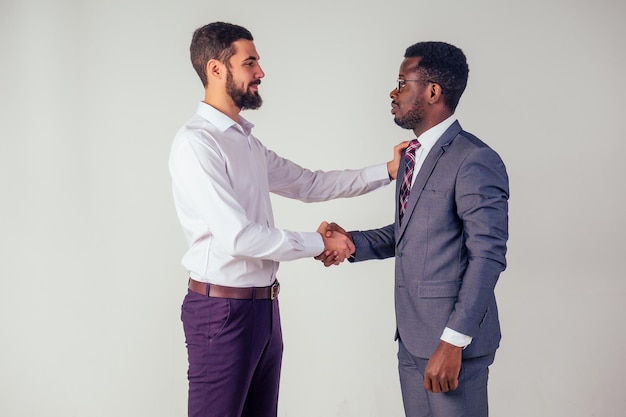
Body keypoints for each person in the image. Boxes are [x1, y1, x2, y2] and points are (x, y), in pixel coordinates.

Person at [168, 22, 407, 417]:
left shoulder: (245, 142)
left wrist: (387, 170)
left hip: (263, 309)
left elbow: (309, 184)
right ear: (215, 69)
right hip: (221, 313)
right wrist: (321, 243)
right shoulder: (198, 143)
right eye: (250, 63)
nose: (260, 72)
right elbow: (239, 238)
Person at [319, 42, 509, 417]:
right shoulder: (411, 156)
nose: (394, 92)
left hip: (452, 345)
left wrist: (453, 342)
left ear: (433, 91)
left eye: (402, 83)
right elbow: (410, 233)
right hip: (411, 339)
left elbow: (487, 255)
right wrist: (351, 243)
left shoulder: (474, 159)